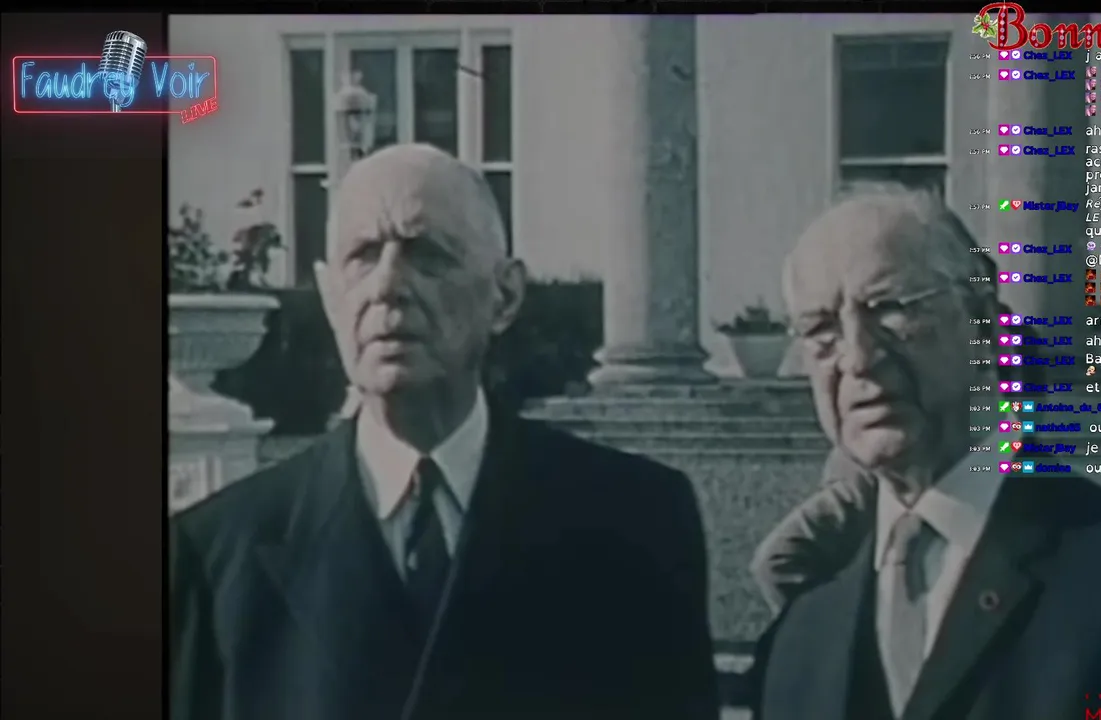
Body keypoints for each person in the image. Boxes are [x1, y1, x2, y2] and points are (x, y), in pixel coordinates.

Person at [169, 144, 719, 720]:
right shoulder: (217, 556)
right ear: (330, 298)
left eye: (427, 255)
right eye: (363, 256)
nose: (388, 285)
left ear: (505, 296)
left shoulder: (635, 521)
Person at [747, 183, 1101, 720]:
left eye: (890, 310)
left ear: (982, 321)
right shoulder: (799, 646)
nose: (858, 358)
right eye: (821, 330)